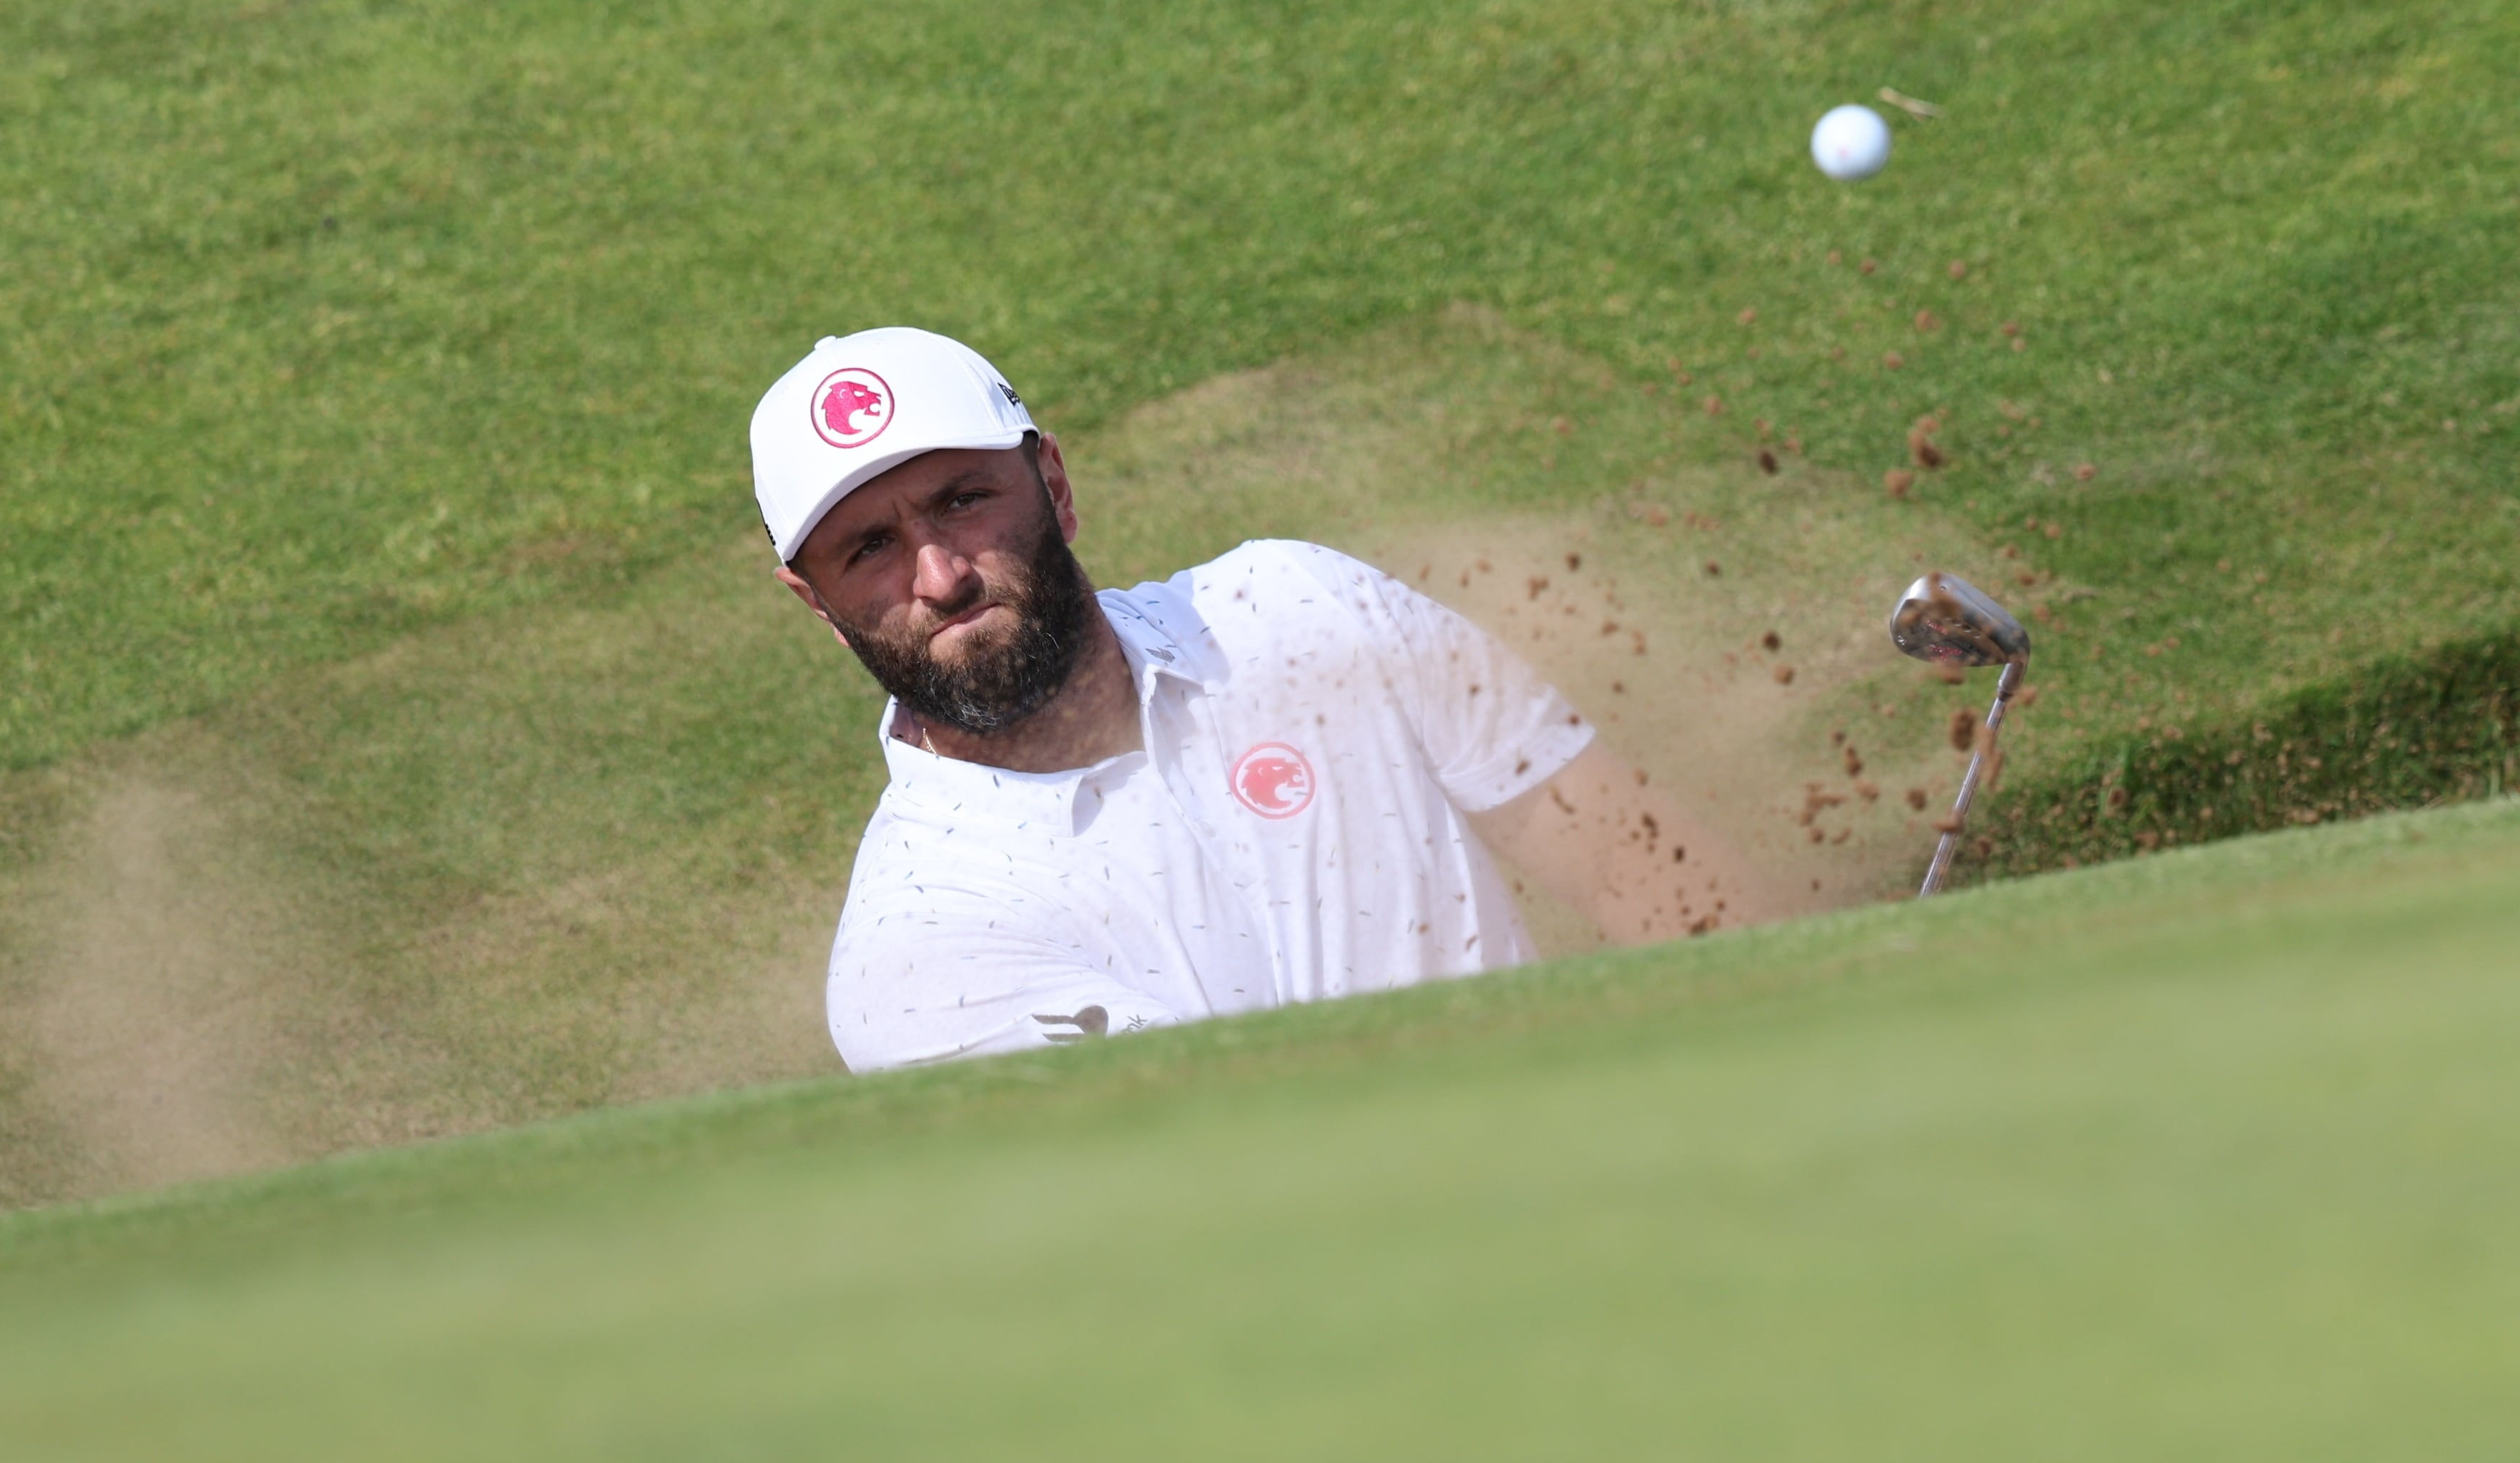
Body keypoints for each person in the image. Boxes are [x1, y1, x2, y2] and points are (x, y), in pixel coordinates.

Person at [752, 327, 1771, 1073]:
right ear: (818, 605)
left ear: (1053, 486)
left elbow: (1643, 871)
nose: (939, 578)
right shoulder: (920, 952)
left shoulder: (1300, 612)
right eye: (869, 550)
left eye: (963, 502)